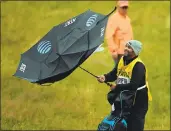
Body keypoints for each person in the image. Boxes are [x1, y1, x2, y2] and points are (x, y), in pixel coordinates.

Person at [97, 40, 152, 131]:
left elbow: (133, 85)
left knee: (135, 124)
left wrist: (117, 87)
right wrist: (105, 77)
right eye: (126, 46)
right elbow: (115, 73)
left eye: (129, 47)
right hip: (124, 97)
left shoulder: (138, 66)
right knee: (121, 122)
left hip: (138, 100)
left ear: (135, 51)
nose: (126, 48)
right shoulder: (122, 59)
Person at [105, 0, 133, 65]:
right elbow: (109, 35)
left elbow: (130, 35)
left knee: (127, 71)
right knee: (120, 71)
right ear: (118, 7)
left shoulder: (127, 19)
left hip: (128, 50)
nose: (124, 9)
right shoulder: (114, 19)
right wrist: (113, 50)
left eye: (126, 7)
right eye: (123, 7)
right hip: (119, 52)